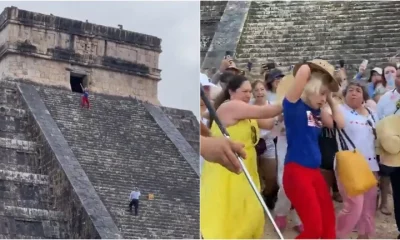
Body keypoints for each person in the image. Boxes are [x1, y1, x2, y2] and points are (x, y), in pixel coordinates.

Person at [200, 74, 282, 239]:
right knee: (233, 215)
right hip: (231, 171)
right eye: (244, 91)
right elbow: (268, 111)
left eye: (249, 91)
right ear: (231, 91)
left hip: (248, 167)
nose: (248, 95)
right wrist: (293, 97)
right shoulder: (231, 107)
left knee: (249, 212)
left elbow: (268, 121)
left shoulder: (245, 110)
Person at [282, 60, 344, 239]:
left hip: (314, 173)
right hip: (297, 172)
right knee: (314, 228)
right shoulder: (293, 106)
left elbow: (338, 123)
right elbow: (303, 70)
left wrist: (330, 97)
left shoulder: (316, 113)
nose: (324, 98)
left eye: (326, 95)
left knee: (328, 225)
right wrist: (322, 70)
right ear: (311, 87)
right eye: (322, 93)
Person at [335, 81, 379, 239]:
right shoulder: (340, 110)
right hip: (350, 165)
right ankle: (336, 234)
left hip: (371, 165)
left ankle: (364, 235)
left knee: (369, 205)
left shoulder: (372, 113)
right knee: (354, 206)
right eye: (350, 90)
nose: (354, 93)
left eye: (358, 90)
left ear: (364, 96)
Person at [377, 66, 400, 239]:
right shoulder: (386, 99)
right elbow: (379, 122)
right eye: (398, 76)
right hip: (394, 154)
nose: (398, 78)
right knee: (399, 193)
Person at [250, 80, 278, 208]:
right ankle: (256, 201)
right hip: (251, 143)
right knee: (253, 174)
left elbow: (269, 124)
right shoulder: (248, 105)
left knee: (271, 177)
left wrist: (249, 116)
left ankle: (268, 195)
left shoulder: (272, 105)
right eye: (256, 90)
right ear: (253, 92)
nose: (259, 93)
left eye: (262, 89)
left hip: (268, 142)